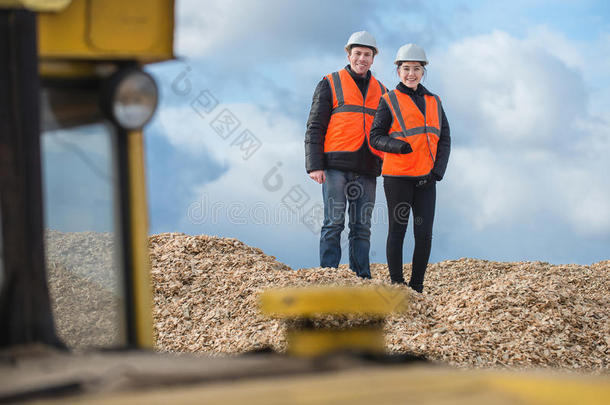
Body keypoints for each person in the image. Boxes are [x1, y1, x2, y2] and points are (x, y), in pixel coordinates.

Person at [304, 31, 387, 278]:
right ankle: (329, 276)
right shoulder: (330, 82)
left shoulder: (383, 90)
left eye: (367, 54)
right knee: (334, 223)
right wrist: (314, 165)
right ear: (349, 54)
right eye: (358, 53)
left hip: (368, 166)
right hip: (334, 166)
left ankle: (361, 277)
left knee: (362, 227)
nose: (362, 58)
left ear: (373, 58)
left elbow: (387, 131)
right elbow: (315, 125)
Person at [369, 43, 450, 293]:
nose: (411, 74)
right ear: (398, 71)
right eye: (406, 69)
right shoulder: (388, 100)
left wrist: (437, 171)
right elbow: (375, 137)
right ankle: (397, 284)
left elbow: (445, 137)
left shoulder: (434, 101)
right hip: (398, 179)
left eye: (416, 68)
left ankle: (417, 287)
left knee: (424, 234)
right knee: (398, 231)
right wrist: (397, 146)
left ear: (423, 71)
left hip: (426, 180)